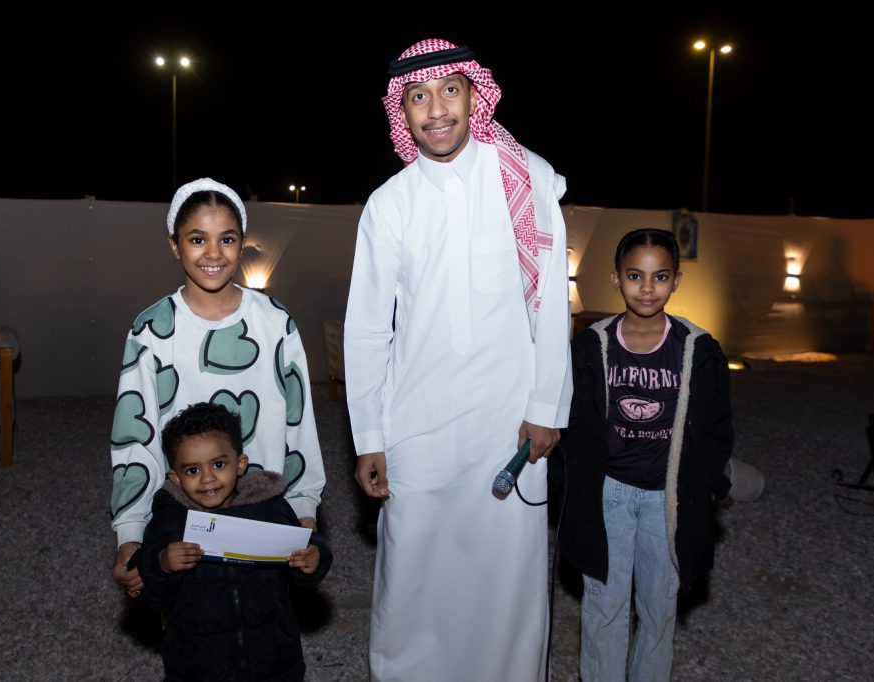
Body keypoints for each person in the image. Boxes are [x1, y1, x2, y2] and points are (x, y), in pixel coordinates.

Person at [345, 39, 572, 681]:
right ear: (402, 112)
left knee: (506, 578)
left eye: (449, 91)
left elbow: (552, 306)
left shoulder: (526, 179)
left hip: (509, 421)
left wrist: (546, 408)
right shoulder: (389, 203)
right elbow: (367, 328)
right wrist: (369, 437)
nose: (436, 109)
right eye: (418, 97)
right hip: (416, 424)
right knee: (412, 572)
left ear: (475, 96)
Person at [110, 178, 325, 598]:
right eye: (197, 239)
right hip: (182, 515)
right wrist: (131, 533)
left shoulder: (274, 321)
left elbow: (299, 423)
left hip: (264, 510)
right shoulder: (151, 330)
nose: (213, 253)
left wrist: (304, 510)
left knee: (263, 618)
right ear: (174, 245)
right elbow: (134, 436)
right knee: (194, 622)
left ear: (242, 243)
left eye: (226, 239)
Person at [558, 228, 734, 681]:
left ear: (676, 281)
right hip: (608, 495)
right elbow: (571, 423)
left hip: (666, 500)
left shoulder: (697, 349)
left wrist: (707, 484)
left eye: (660, 276)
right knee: (604, 604)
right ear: (616, 278)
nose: (647, 288)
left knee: (658, 607)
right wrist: (571, 484)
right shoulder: (591, 346)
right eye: (635, 275)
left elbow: (717, 428)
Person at [131, 401, 331, 681]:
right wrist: (163, 563)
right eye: (192, 471)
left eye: (218, 464)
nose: (207, 479)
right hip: (199, 666)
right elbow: (152, 594)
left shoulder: (269, 509)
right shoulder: (172, 522)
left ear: (240, 464)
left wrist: (313, 557)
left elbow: (304, 556)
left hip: (272, 658)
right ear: (175, 478)